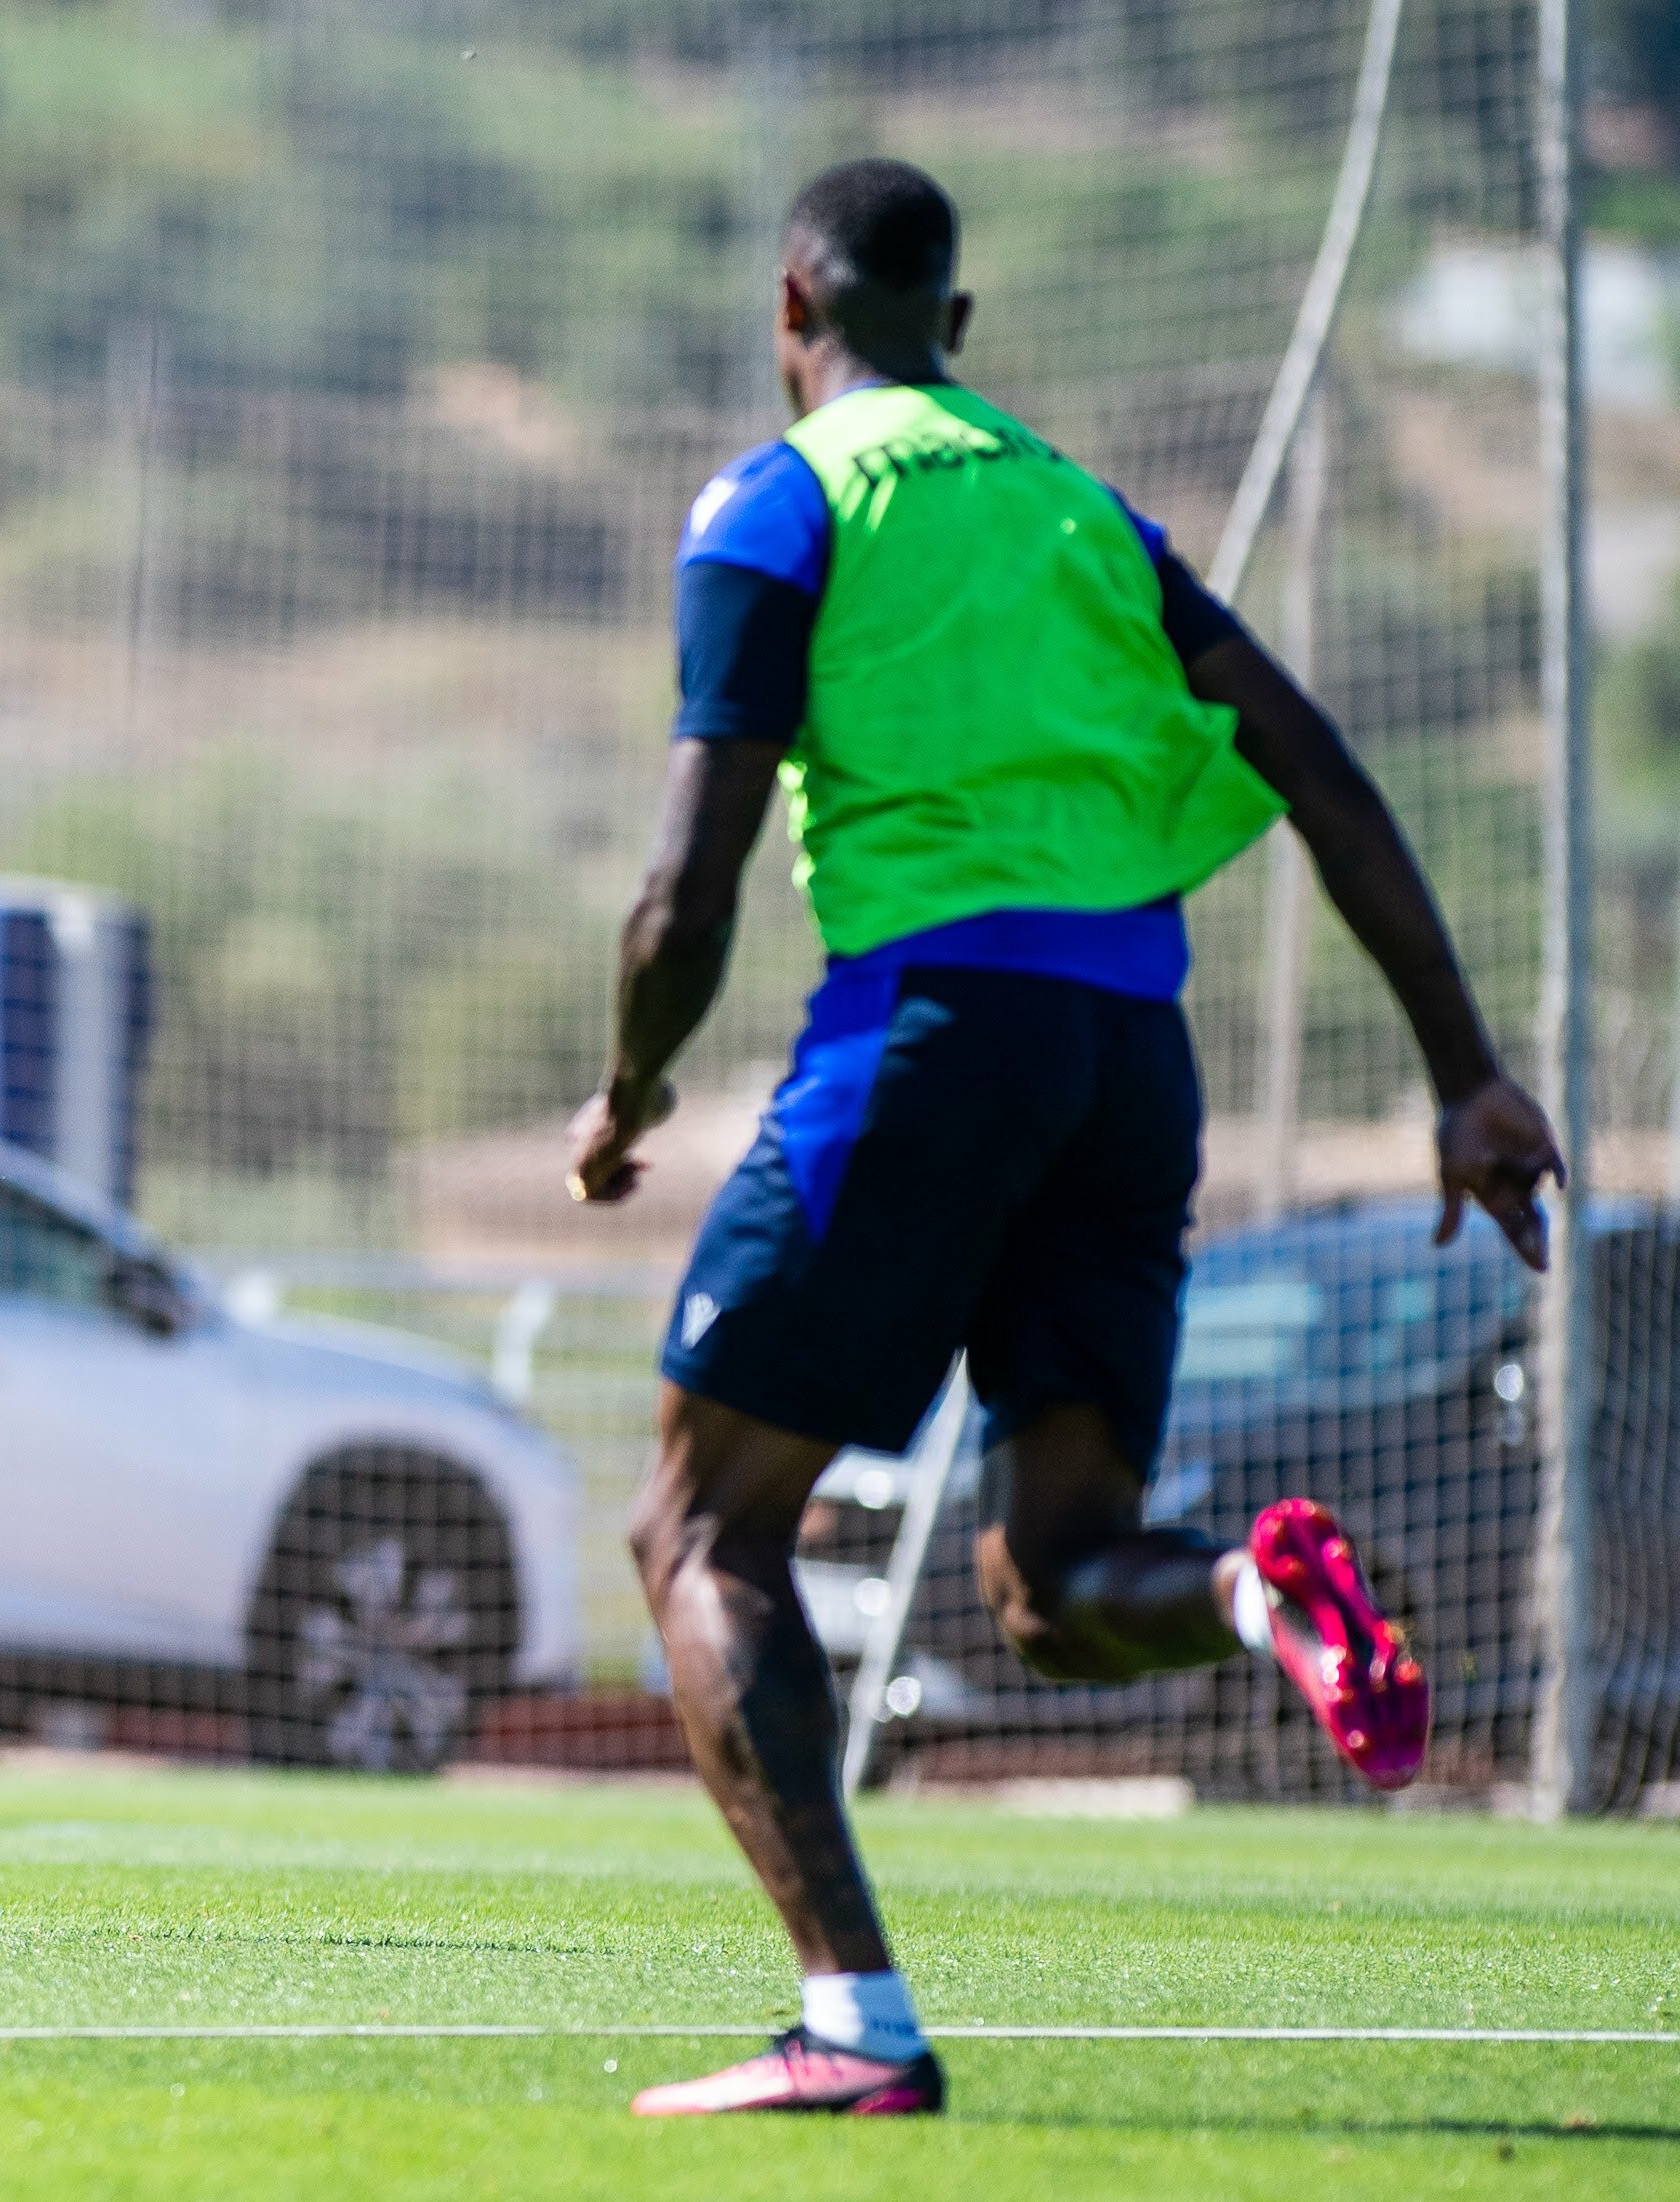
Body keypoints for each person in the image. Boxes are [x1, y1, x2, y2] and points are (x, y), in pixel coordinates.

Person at [565, 161, 1563, 2117]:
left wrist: (630, 1085)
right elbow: (1312, 763)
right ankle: (1248, 1595)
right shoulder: (1081, 510)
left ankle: (850, 2024)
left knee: (696, 1528)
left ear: (793, 309)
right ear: (956, 323)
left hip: (929, 1034)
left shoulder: (782, 500)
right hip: (1126, 1053)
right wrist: (1461, 1068)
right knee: (1052, 1582)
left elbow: (682, 895)